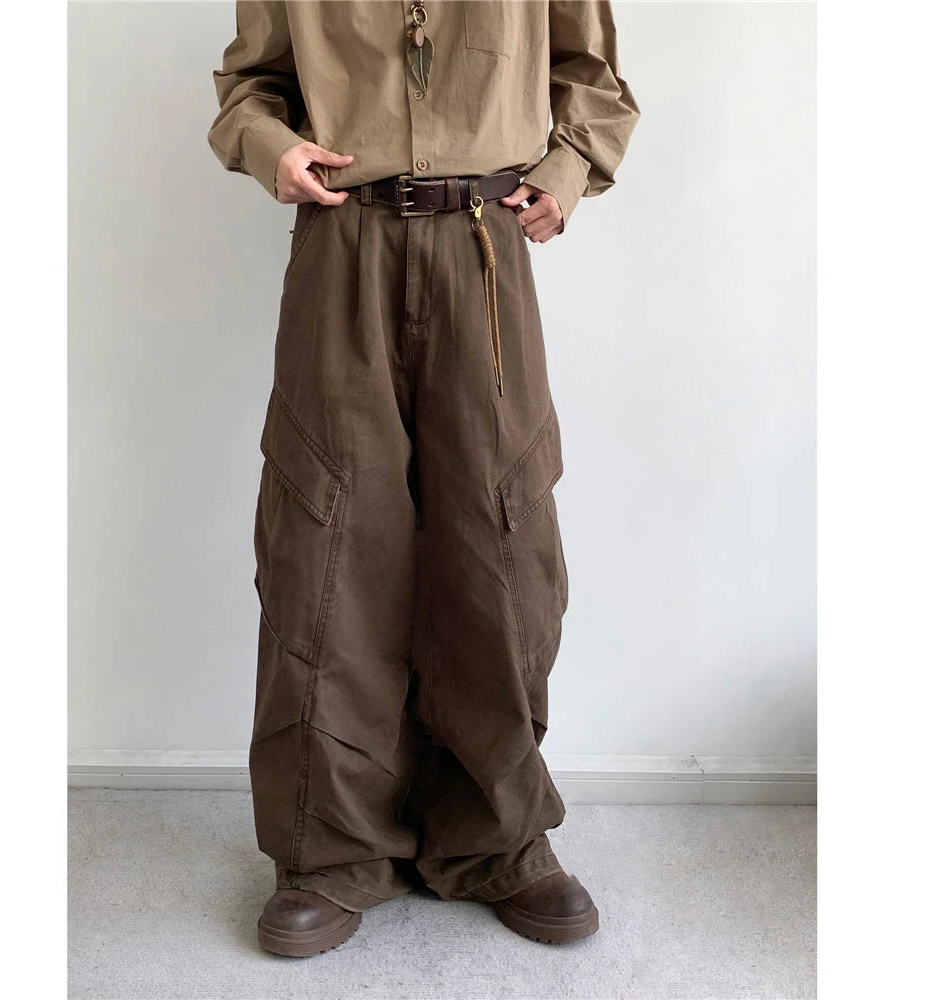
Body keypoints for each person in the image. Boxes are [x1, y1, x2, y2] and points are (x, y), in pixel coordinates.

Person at [207, 0, 639, 957]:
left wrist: (567, 168)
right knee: (326, 540)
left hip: (484, 247)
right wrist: (270, 145)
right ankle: (329, 853)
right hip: (341, 243)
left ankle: (497, 838)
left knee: (502, 541)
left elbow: (593, 77)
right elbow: (249, 87)